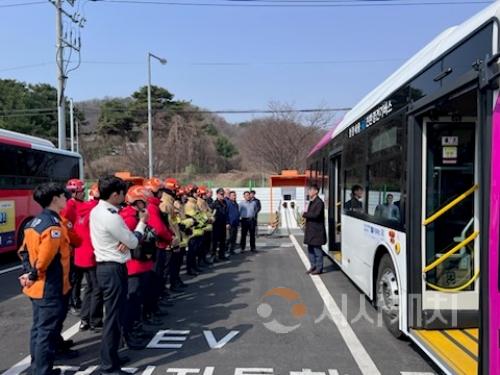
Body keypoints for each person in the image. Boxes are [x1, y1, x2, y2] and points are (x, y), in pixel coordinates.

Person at [90, 176, 148, 375]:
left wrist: (127, 238)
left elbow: (125, 240)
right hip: (113, 268)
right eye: (123, 193)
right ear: (115, 194)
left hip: (106, 266)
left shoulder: (98, 210)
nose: (125, 197)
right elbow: (132, 242)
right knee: (113, 318)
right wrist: (142, 224)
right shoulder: (111, 216)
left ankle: (112, 355)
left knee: (115, 315)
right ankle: (108, 365)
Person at [17, 182, 73, 375]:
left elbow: (23, 251)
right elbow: (45, 259)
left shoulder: (34, 222)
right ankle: (42, 371)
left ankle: (37, 368)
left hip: (37, 286)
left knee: (38, 328)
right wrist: (33, 273)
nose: (66, 198)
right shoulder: (53, 226)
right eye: (63, 196)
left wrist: (28, 272)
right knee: (46, 331)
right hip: (49, 285)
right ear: (55, 199)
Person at [120, 185, 156, 349]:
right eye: (144, 201)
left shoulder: (136, 215)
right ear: (137, 201)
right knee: (131, 302)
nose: (147, 204)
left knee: (137, 301)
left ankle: (136, 327)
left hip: (141, 264)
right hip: (134, 266)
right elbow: (130, 241)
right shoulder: (128, 218)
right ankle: (129, 334)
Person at [75, 187, 103, 333]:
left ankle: (85, 319)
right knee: (97, 288)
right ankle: (95, 320)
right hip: (93, 254)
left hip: (81, 254)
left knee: (90, 288)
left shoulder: (81, 209)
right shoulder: (97, 210)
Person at [62, 178, 85, 315]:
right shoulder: (69, 206)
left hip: (77, 245)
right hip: (72, 246)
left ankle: (75, 300)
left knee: (77, 276)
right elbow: (66, 226)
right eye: (82, 191)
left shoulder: (77, 203)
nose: (83, 194)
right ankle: (72, 302)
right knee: (74, 277)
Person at [302, 184, 327, 275]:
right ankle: (313, 265)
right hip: (310, 230)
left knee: (317, 249)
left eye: (310, 190)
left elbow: (316, 215)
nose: (309, 192)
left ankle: (319, 268)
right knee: (310, 249)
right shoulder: (312, 202)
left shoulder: (319, 202)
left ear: (316, 191)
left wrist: (305, 214)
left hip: (317, 230)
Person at [212, 188, 229, 261]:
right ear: (217, 195)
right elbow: (212, 215)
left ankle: (221, 255)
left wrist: (227, 222)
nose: (222, 195)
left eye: (223, 194)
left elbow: (226, 213)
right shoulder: (214, 204)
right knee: (215, 242)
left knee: (223, 241)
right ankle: (213, 256)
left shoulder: (224, 202)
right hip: (216, 225)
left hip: (223, 224)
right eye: (221, 194)